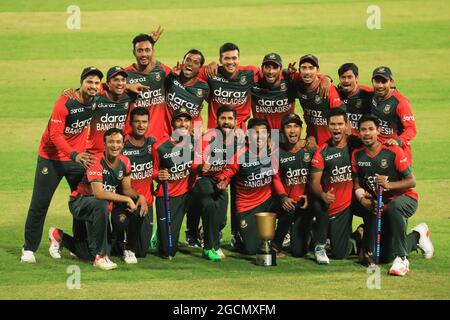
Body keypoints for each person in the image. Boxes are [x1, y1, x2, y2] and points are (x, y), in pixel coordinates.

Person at [21, 67, 103, 264]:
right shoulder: (64, 102)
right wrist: (75, 155)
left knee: (84, 202)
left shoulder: (98, 96)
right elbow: (55, 135)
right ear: (81, 82)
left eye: (96, 83)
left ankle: (78, 245)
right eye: (89, 82)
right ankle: (29, 249)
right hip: (52, 158)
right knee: (40, 204)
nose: (93, 86)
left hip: (77, 159)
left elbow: (117, 86)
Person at [48, 128, 148, 270]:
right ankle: (100, 257)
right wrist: (126, 199)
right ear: (105, 144)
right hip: (80, 203)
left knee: (89, 253)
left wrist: (140, 197)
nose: (115, 145)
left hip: (99, 209)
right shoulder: (95, 160)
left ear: (123, 144)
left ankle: (59, 236)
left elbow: (126, 189)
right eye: (111, 142)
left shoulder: (125, 162)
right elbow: (99, 193)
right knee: (101, 203)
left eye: (118, 142)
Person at [352, 114, 433, 276]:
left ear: (378, 131)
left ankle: (402, 258)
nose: (367, 133)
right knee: (383, 257)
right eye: (363, 130)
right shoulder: (357, 155)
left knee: (395, 207)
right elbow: (357, 184)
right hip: (381, 205)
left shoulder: (393, 152)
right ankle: (418, 236)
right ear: (358, 132)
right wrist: (363, 199)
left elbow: (411, 182)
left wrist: (388, 185)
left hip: (405, 199)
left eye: (371, 129)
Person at [215, 118, 288, 255]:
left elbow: (276, 178)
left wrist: (284, 197)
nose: (260, 136)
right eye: (256, 133)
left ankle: (276, 245)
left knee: (289, 208)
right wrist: (222, 180)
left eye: (263, 133)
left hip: (268, 200)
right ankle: (241, 234)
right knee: (252, 250)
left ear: (268, 135)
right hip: (246, 206)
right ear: (248, 134)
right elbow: (229, 170)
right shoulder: (241, 153)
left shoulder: (272, 151)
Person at [191, 105, 243, 260]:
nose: (226, 122)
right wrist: (201, 166)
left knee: (221, 220)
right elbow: (194, 164)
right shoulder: (207, 138)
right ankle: (211, 247)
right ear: (217, 120)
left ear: (236, 121)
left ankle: (206, 233)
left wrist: (224, 179)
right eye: (223, 118)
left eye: (230, 118)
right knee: (210, 206)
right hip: (203, 178)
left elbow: (233, 166)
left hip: (219, 179)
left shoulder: (237, 141)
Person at [110, 107, 156, 263]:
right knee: (119, 228)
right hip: (124, 200)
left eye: (144, 122)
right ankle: (117, 238)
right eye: (137, 122)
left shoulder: (152, 144)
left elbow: (171, 149)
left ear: (149, 123)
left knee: (142, 252)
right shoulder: (122, 145)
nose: (141, 125)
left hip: (146, 203)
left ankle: (145, 237)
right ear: (130, 123)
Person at [310, 108, 355, 264]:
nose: (336, 128)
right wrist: (323, 195)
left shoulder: (356, 144)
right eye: (333, 124)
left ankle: (365, 234)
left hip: (355, 202)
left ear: (347, 125)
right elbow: (314, 182)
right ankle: (320, 242)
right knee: (339, 253)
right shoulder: (322, 152)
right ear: (327, 126)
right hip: (335, 206)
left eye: (340, 124)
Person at [152, 107, 196, 258]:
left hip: (190, 193)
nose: (183, 124)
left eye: (186, 120)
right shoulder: (160, 147)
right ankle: (160, 234)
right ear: (173, 124)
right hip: (168, 195)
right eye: (179, 120)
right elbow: (152, 171)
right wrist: (159, 174)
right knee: (168, 251)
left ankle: (207, 241)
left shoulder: (197, 142)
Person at [273, 113, 317, 257]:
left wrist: (310, 196)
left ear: (301, 129)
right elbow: (276, 177)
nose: (292, 130)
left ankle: (312, 231)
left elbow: (317, 177)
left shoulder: (310, 149)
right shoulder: (277, 151)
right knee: (287, 209)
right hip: (287, 204)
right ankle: (276, 244)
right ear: (282, 131)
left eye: (296, 126)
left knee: (298, 252)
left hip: (305, 204)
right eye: (288, 126)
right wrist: (284, 198)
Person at [124, 31, 172, 141]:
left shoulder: (161, 71)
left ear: (153, 51)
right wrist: (126, 86)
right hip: (135, 140)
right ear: (134, 52)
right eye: (140, 51)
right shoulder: (126, 74)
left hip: (160, 139)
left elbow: (186, 77)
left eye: (147, 50)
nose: (144, 54)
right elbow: (106, 87)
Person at [292, 54, 346, 146]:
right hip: (311, 141)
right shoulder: (298, 84)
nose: (307, 72)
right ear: (299, 70)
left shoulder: (328, 89)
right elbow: (283, 74)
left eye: (311, 68)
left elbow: (343, 118)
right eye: (304, 68)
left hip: (331, 144)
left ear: (317, 70)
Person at [86, 66, 138, 154]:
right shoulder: (97, 97)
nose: (120, 83)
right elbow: (82, 93)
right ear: (108, 83)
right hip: (94, 153)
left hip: (117, 151)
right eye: (116, 80)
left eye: (123, 80)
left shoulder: (129, 97)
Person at [370, 66, 416, 162]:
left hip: (397, 153)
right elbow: (356, 89)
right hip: (377, 151)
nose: (380, 85)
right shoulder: (372, 95)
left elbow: (411, 129)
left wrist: (398, 141)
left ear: (391, 82)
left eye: (384, 82)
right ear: (372, 81)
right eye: (377, 81)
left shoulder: (400, 102)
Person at [165, 49, 209, 135]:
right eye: (188, 60)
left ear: (200, 68)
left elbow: (197, 113)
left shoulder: (204, 87)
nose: (190, 64)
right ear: (183, 62)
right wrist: (171, 75)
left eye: (195, 62)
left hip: (188, 133)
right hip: (166, 131)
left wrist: (197, 128)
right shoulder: (171, 78)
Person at [251, 53, 295, 130]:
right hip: (261, 134)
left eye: (275, 68)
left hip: (283, 135)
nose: (270, 71)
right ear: (262, 69)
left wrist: (323, 78)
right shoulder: (254, 85)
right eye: (267, 67)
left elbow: (310, 79)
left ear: (280, 69)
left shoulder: (290, 84)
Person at [337, 63, 373, 136]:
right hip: (344, 141)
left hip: (364, 141)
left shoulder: (369, 94)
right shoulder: (336, 93)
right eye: (343, 77)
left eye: (350, 77)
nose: (346, 81)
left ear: (356, 78)